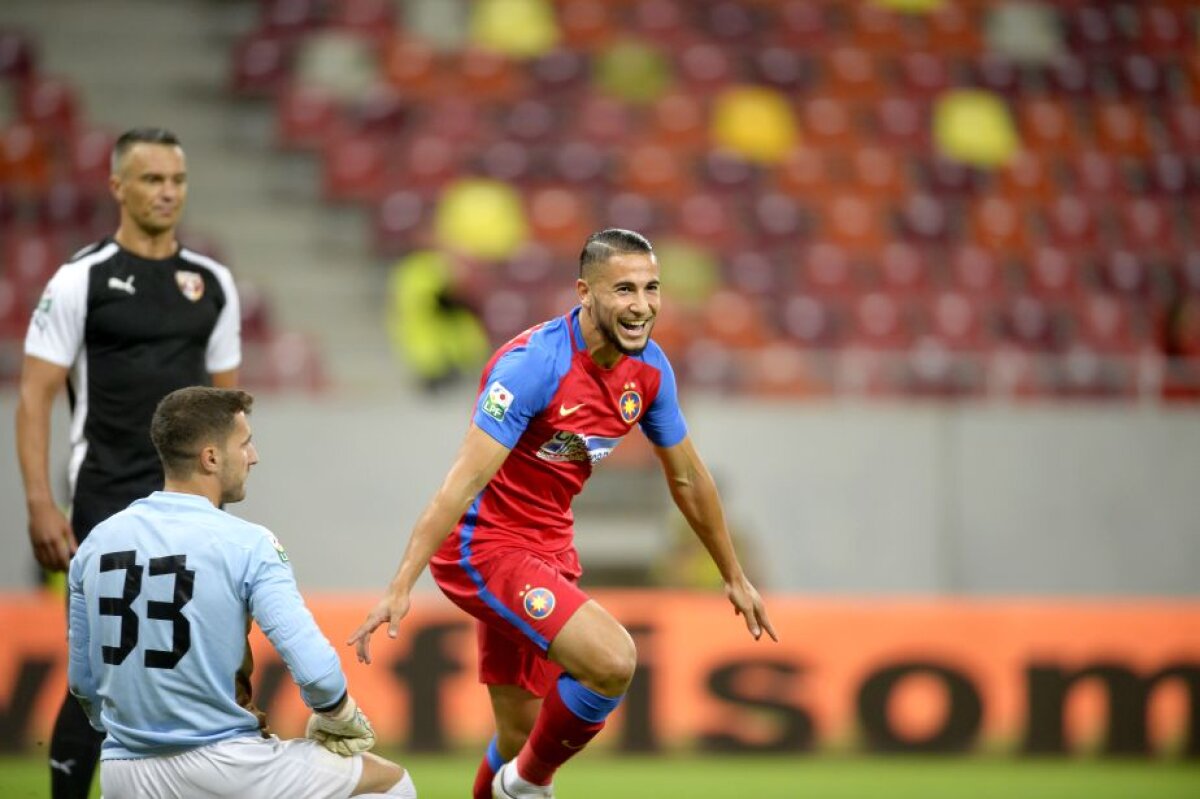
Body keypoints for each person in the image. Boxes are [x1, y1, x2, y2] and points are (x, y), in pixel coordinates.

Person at [350, 228, 778, 799]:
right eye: (624, 289)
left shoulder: (650, 371)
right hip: (485, 547)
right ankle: (528, 786)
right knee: (614, 661)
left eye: (652, 289)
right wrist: (401, 583)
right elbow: (463, 481)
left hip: (549, 547)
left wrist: (732, 574)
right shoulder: (531, 366)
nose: (642, 305)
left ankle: (514, 779)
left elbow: (687, 476)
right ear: (585, 292)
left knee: (518, 732)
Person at [14, 126, 245, 799]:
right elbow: (34, 397)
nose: (167, 191)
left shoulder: (213, 283)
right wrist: (38, 502)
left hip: (191, 507)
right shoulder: (80, 278)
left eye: (176, 179)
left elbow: (228, 408)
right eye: (151, 179)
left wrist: (227, 502)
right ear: (117, 186)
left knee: (210, 666)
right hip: (106, 496)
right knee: (106, 671)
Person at [67, 386, 417, 798]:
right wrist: (338, 713)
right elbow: (316, 669)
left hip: (123, 772)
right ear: (211, 458)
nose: (254, 456)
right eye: (245, 443)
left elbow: (83, 683)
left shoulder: (96, 544)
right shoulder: (247, 544)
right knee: (389, 784)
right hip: (224, 764)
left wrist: (135, 735)